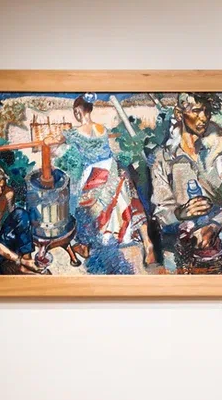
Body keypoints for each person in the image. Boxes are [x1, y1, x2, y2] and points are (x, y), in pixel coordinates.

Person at [45, 93, 155, 273]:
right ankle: (147, 242)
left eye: (75, 112)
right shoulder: (102, 128)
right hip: (115, 169)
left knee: (77, 204)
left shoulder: (74, 133)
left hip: (97, 173)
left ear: (78, 111)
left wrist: (47, 141)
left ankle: (89, 243)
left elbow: (51, 142)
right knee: (130, 201)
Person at [149, 92, 222, 272]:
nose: (203, 118)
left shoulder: (220, 151)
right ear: (179, 114)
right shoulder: (163, 159)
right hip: (182, 245)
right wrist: (180, 213)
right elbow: (161, 212)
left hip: (221, 239)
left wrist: (214, 225)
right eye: (196, 111)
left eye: (207, 111)